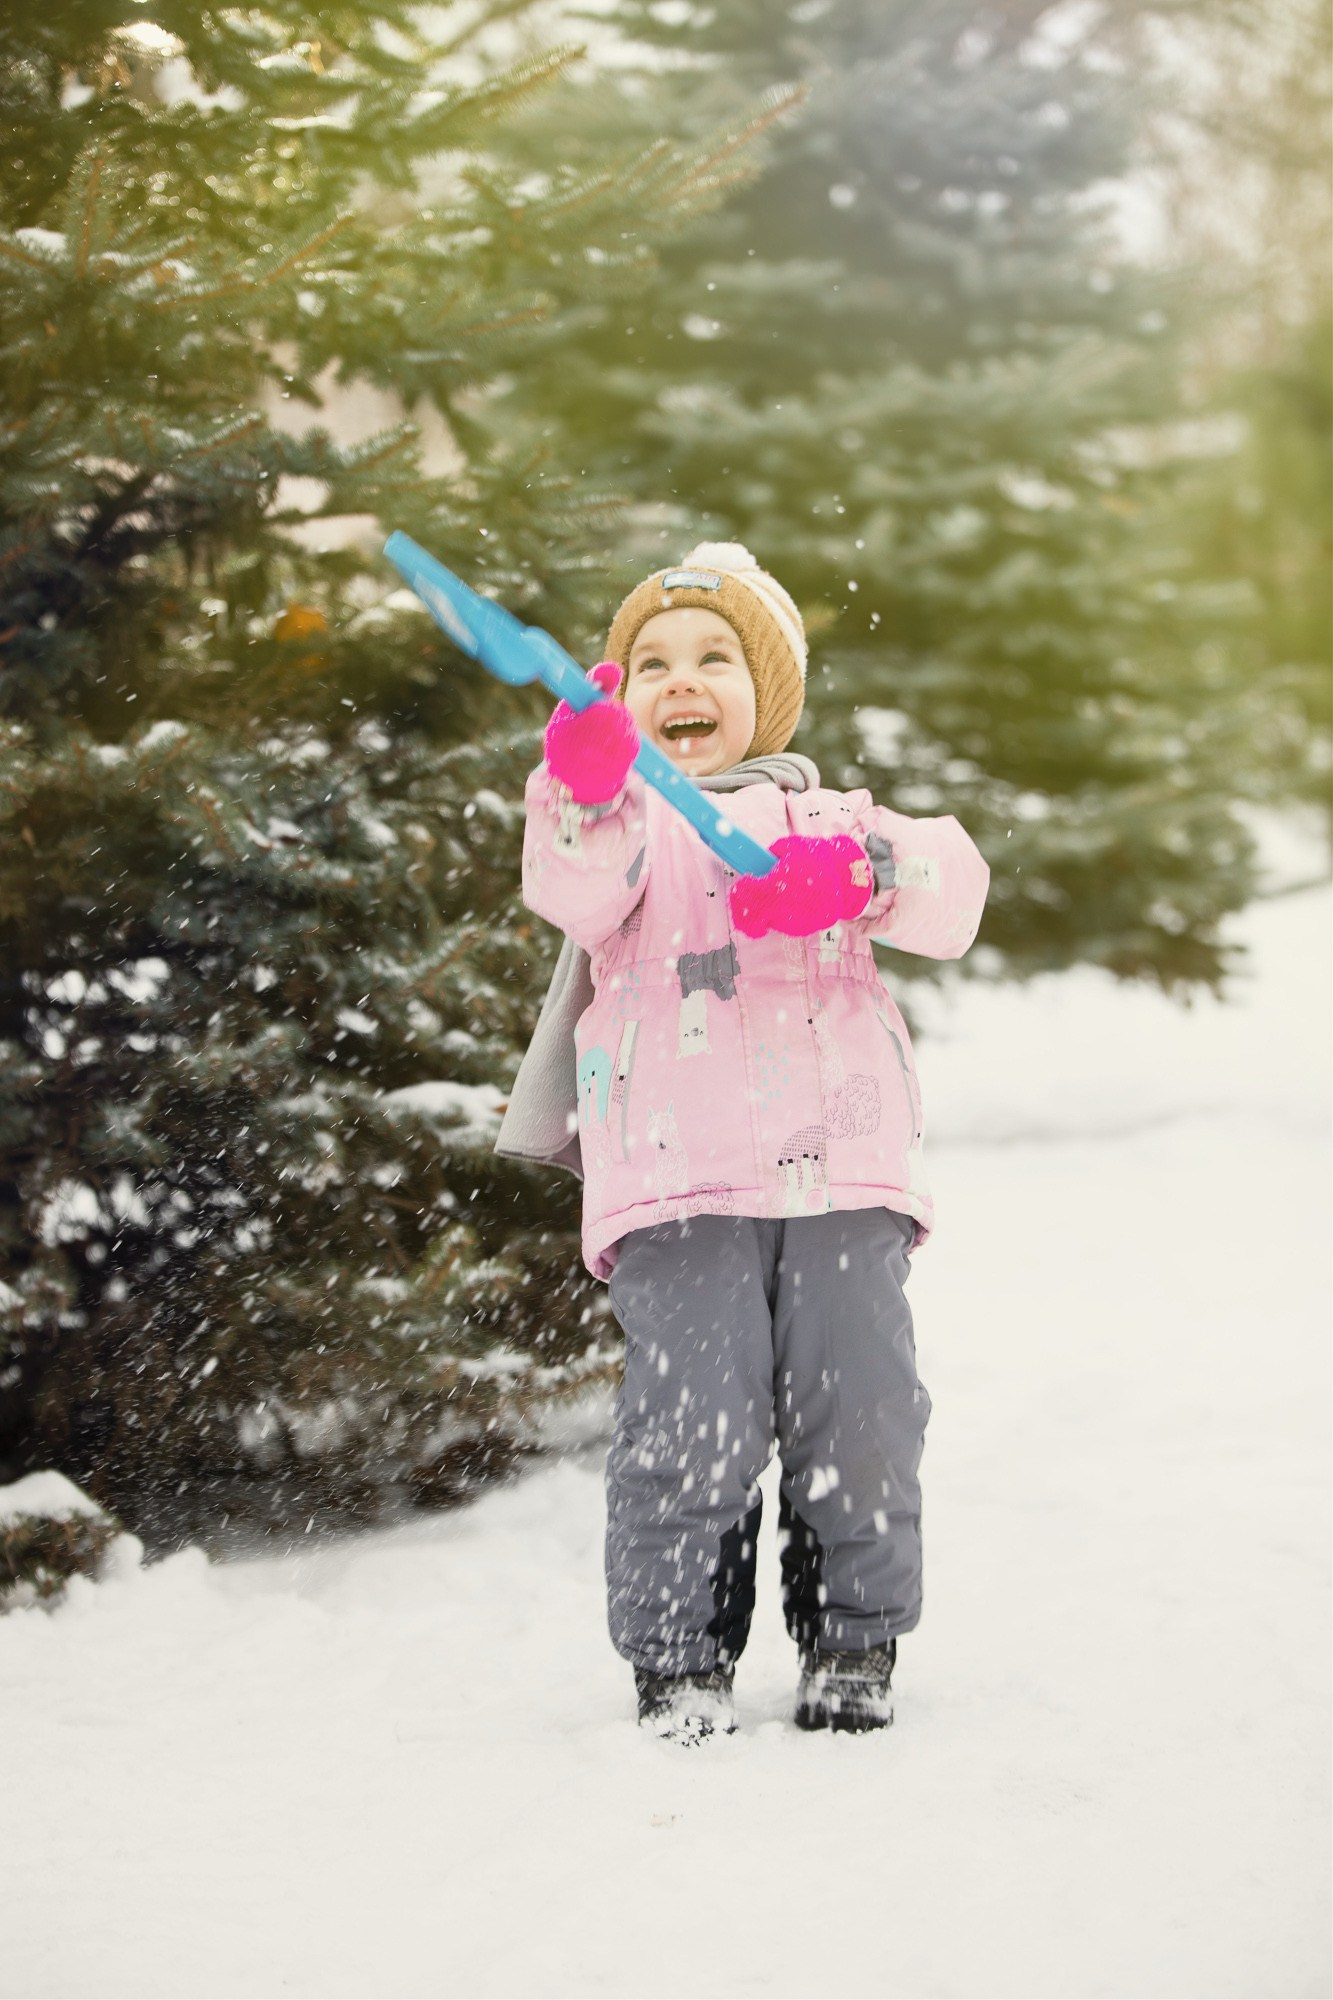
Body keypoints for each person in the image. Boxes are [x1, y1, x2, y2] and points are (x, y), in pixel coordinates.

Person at [496, 543, 989, 1743]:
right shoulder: (623, 822)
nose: (683, 679)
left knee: (861, 1413)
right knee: (691, 1425)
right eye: (653, 661)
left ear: (767, 691)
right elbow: (569, 885)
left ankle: (854, 1641)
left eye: (715, 657)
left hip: (845, 1175)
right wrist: (582, 781)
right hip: (677, 1181)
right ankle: (677, 1661)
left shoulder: (834, 817)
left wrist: (858, 873)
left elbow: (955, 886)